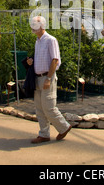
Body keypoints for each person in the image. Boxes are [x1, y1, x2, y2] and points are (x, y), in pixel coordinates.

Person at [27, 16, 71, 144]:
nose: (32, 28)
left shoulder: (51, 40)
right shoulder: (38, 41)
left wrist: (48, 78)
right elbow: (43, 59)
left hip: (47, 78)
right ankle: (44, 134)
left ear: (41, 26)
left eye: (34, 25)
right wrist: (31, 62)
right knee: (39, 108)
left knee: (49, 107)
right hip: (38, 78)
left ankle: (64, 127)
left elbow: (55, 60)